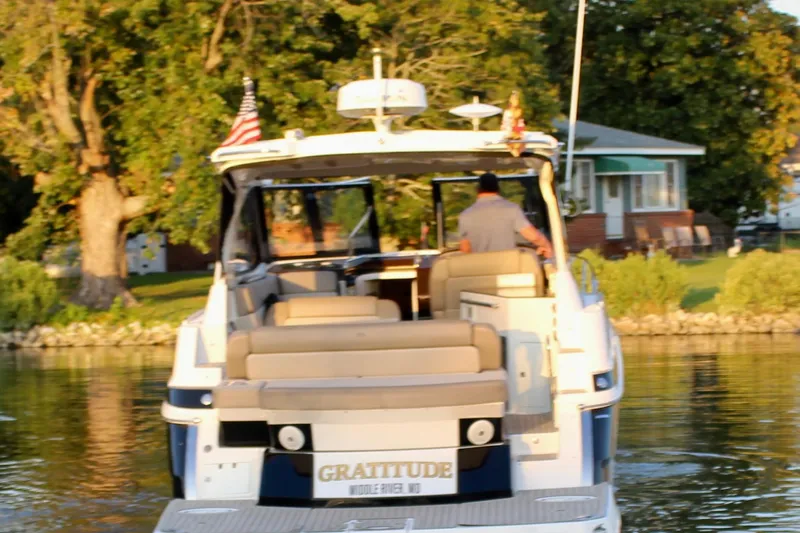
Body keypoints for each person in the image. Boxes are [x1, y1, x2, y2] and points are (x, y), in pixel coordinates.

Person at [458, 172, 554, 258]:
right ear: (498, 189)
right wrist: (547, 246)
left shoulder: (465, 215)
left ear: (478, 190)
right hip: (508, 270)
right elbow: (534, 237)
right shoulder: (512, 209)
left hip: (480, 271)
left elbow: (465, 249)